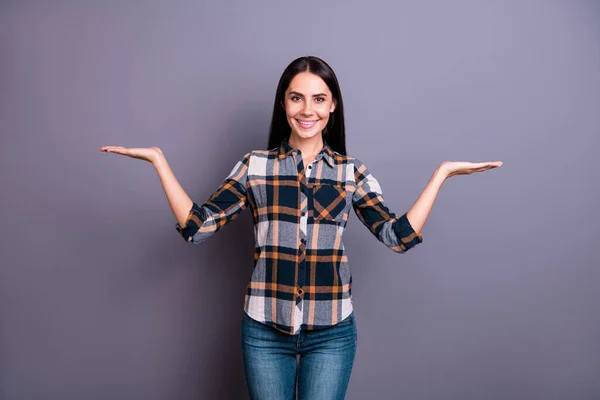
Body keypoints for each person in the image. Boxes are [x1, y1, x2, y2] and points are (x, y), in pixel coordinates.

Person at [100, 55, 502, 400]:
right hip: (263, 331)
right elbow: (198, 227)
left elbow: (397, 238)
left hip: (331, 333)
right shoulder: (255, 166)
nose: (307, 110)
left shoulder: (350, 173)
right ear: (283, 103)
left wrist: (441, 174)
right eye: (297, 97)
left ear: (333, 107)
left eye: (318, 99)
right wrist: (158, 161)